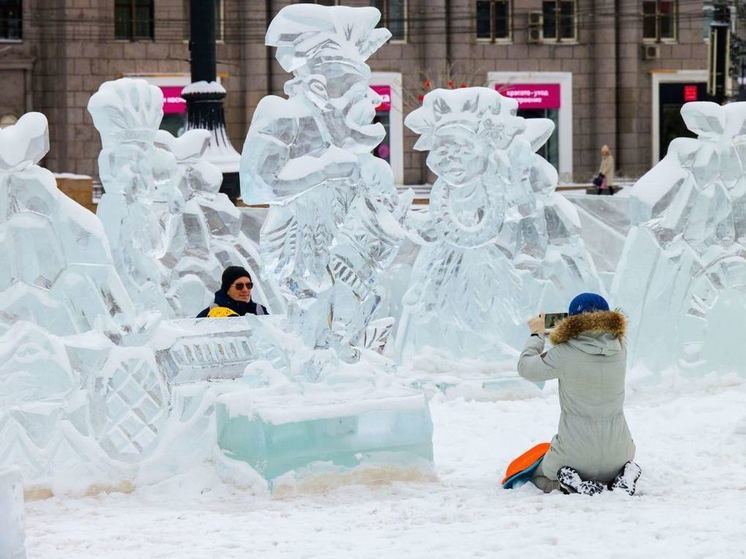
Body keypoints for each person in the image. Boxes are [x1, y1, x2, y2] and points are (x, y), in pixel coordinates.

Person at [517, 293, 640, 495]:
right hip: (620, 454)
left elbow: (526, 368)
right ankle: (624, 475)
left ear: (570, 321)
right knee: (611, 465)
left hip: (574, 457)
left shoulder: (564, 353)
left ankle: (567, 484)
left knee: (536, 474)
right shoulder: (620, 347)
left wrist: (537, 334)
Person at [197, 266, 268, 318]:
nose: (245, 290)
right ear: (227, 289)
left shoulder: (259, 311)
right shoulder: (209, 314)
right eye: (239, 286)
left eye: (249, 285)